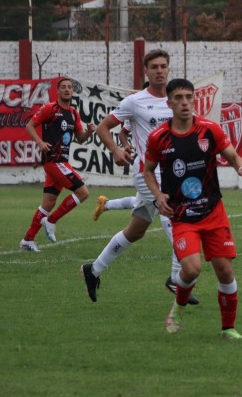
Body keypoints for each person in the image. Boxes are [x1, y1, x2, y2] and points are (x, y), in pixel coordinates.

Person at [81, 49, 198, 305]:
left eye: (163, 66)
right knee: (176, 218)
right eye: (154, 66)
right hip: (149, 176)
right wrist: (115, 150)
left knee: (135, 231)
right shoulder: (135, 101)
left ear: (168, 69)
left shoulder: (176, 100)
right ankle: (175, 278)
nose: (159, 70)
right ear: (146, 71)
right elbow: (103, 127)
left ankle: (93, 270)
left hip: (173, 175)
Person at [144, 78, 242, 339]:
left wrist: (241, 167)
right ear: (169, 103)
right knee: (191, 269)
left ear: (195, 100)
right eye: (179, 98)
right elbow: (147, 170)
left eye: (189, 97)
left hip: (213, 211)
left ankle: (228, 328)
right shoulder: (158, 137)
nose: (185, 103)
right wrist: (158, 196)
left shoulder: (209, 130)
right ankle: (178, 308)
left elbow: (232, 155)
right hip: (181, 215)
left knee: (225, 271)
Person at [19, 77, 96, 252]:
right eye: (63, 87)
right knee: (83, 193)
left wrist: (89, 132)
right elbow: (30, 125)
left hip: (61, 162)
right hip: (53, 160)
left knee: (48, 203)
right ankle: (52, 221)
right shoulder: (50, 109)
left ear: (72, 91)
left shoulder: (74, 113)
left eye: (69, 87)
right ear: (58, 91)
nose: (67, 90)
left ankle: (27, 240)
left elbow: (80, 138)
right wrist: (39, 142)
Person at [93, 122, 136, 221]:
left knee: (144, 202)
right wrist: (125, 145)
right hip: (149, 165)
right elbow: (123, 132)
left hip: (163, 164)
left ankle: (106, 204)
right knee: (161, 204)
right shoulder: (138, 108)